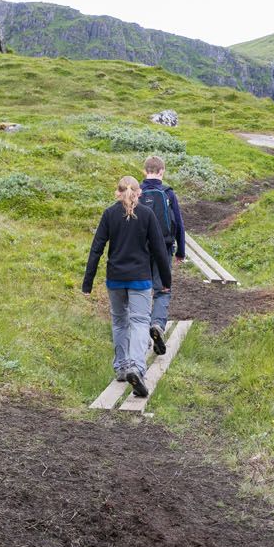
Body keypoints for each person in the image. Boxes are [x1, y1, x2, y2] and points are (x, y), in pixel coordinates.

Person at [82, 176, 173, 397]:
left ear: (117, 193)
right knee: (140, 321)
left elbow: (97, 249)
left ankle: (122, 368)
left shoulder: (109, 214)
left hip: (115, 279)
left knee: (120, 322)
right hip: (140, 279)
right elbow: (160, 250)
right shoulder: (147, 215)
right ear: (139, 193)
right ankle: (136, 367)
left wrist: (88, 282)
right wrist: (166, 282)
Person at [138, 156, 186, 355]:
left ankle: (142, 336)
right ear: (162, 172)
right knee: (163, 289)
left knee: (140, 291)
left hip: (140, 249)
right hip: (164, 248)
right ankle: (157, 324)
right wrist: (180, 252)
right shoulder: (168, 193)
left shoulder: (137, 192)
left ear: (144, 170)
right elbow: (179, 225)